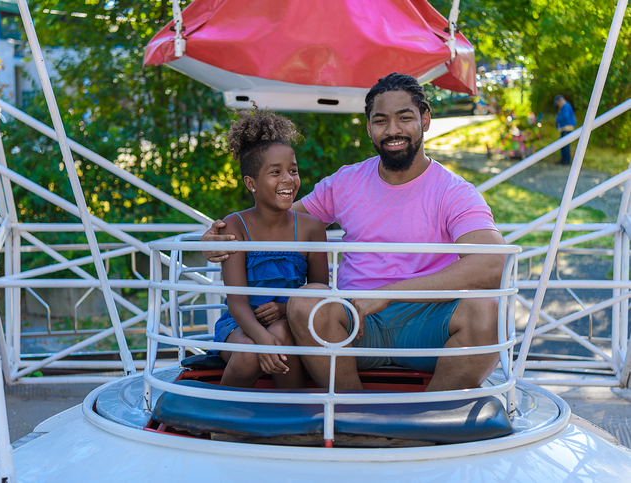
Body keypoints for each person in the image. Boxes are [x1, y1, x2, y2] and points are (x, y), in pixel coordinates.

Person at [204, 73, 505, 392]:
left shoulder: (454, 191)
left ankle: (429, 416)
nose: (393, 130)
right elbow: (273, 222)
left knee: (487, 309)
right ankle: (353, 412)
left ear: (425, 119)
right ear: (369, 127)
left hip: (429, 321)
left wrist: (387, 293)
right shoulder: (346, 182)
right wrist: (220, 236)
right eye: (381, 120)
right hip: (353, 325)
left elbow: (493, 264)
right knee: (307, 302)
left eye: (405, 118)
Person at [211, 107, 329, 388]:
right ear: (251, 183)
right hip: (240, 323)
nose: (288, 179)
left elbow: (320, 294)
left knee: (281, 334)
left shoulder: (313, 228)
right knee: (250, 354)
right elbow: (236, 302)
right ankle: (220, 418)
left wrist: (284, 308)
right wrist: (261, 339)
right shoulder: (234, 226)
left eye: (293, 170)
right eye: (275, 173)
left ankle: (293, 417)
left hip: (290, 321)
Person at [554, 95, 576, 165]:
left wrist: (557, 118)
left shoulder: (565, 106)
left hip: (567, 127)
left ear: (559, 101)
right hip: (564, 127)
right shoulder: (564, 106)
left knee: (565, 144)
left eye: (557, 103)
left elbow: (565, 116)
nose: (558, 105)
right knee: (563, 144)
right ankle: (563, 159)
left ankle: (567, 160)